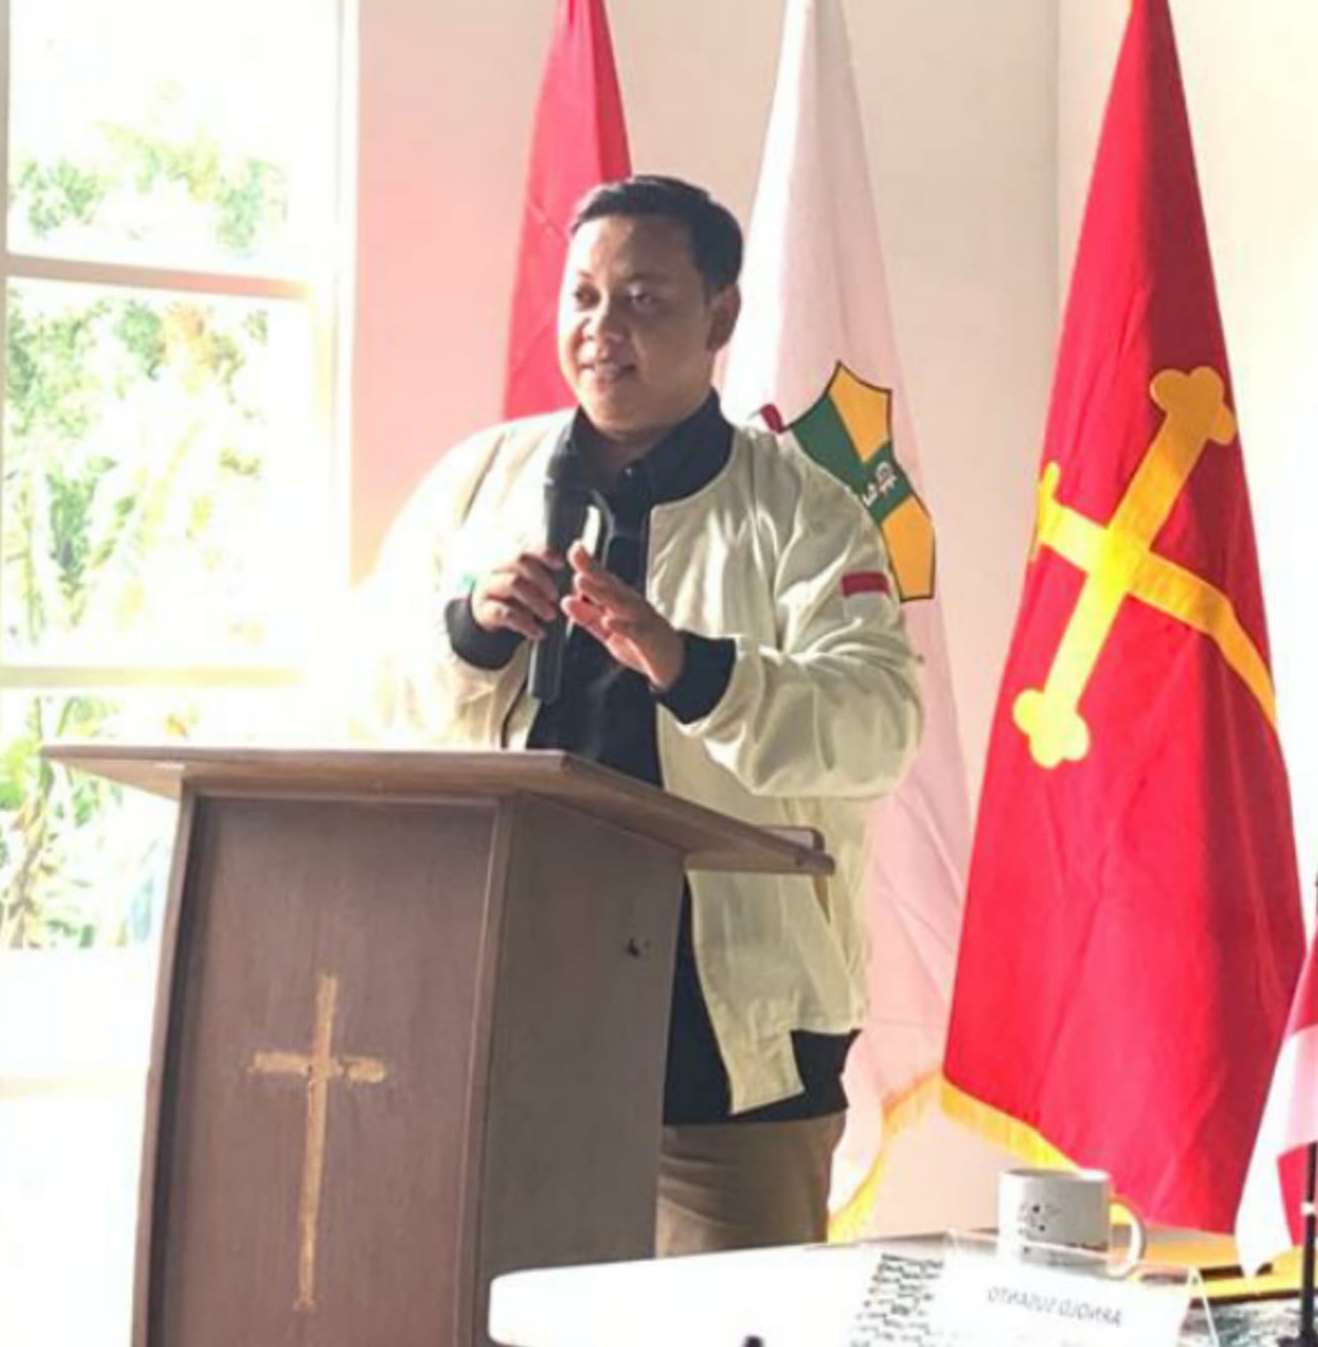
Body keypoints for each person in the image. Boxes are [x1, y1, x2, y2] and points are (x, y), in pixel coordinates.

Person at [358, 174, 922, 1254]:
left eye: (643, 299)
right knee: (503, 1316)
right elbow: (363, 692)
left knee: (738, 1322)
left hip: (728, 1051)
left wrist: (692, 668)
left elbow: (879, 723)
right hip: (503, 1028)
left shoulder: (805, 512)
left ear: (721, 315)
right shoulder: (476, 482)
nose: (601, 329)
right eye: (582, 297)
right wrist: (469, 633)